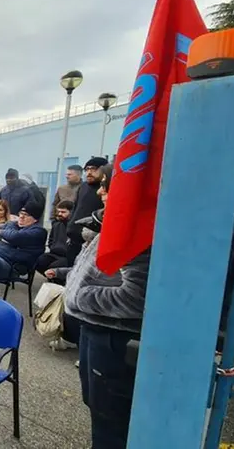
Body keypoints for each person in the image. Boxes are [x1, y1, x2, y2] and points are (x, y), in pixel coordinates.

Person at [61, 164, 151, 448]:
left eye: (106, 186)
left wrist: (78, 297)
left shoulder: (136, 231)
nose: (100, 191)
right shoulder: (116, 221)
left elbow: (137, 297)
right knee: (97, 408)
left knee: (111, 423)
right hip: (95, 329)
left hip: (114, 339)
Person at [66, 157, 108, 264]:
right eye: (87, 169)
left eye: (93, 169)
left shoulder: (105, 189)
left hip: (90, 240)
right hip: (74, 237)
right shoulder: (83, 186)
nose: (89, 172)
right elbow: (76, 208)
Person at [36, 200, 73, 277]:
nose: (59, 214)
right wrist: (53, 247)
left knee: (54, 267)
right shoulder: (56, 225)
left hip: (66, 257)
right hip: (54, 253)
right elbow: (51, 240)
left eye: (63, 212)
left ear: (71, 212)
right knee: (39, 261)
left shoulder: (74, 228)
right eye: (58, 211)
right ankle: (51, 279)